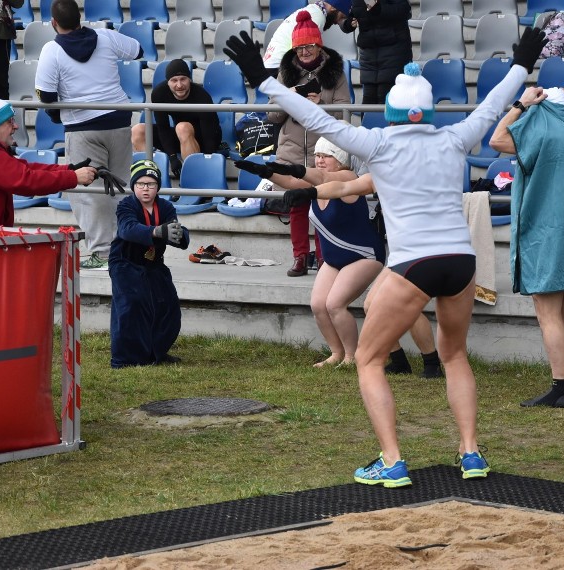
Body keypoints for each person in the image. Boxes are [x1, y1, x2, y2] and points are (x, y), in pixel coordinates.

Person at [224, 27, 547, 487]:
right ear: (430, 110)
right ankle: (471, 453)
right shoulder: (453, 138)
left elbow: (316, 119)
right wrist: (521, 64)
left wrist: (264, 80)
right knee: (455, 356)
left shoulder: (380, 143)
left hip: (414, 261)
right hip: (460, 258)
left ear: (392, 113)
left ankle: (393, 460)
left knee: (369, 360)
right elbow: (494, 103)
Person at [489, 86, 564, 408]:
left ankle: (560, 385)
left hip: (548, 229)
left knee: (548, 312)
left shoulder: (543, 129)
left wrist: (521, 105)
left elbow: (497, 139)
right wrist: (559, 107)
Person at [239, 138, 384, 367]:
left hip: (364, 255)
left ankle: (352, 357)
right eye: (317, 155)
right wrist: (265, 172)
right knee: (318, 305)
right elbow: (289, 182)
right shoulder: (317, 182)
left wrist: (297, 171)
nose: (320, 160)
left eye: (326, 156)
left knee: (334, 305)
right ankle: (336, 353)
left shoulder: (349, 177)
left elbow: (326, 180)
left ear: (340, 160)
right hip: (335, 259)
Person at [35, 0, 143, 271]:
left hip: (82, 126)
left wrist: (58, 116)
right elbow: (139, 50)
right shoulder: (104, 36)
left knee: (88, 193)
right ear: (80, 18)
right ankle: (127, 247)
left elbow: (46, 96)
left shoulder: (52, 49)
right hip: (119, 120)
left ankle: (104, 252)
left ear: (53, 23)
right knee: (120, 186)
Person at [269, 10, 352, 277]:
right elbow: (271, 115)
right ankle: (300, 257)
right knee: (297, 206)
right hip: (292, 150)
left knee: (325, 205)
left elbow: (345, 112)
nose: (304, 52)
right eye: (299, 47)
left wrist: (320, 106)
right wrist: (287, 98)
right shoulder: (286, 71)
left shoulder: (335, 71)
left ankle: (326, 256)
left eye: (309, 46)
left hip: (323, 151)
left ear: (319, 45)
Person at [0, 90, 97, 226]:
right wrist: (73, 177)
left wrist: (69, 169)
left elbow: (24, 168)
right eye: (10, 121)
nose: (16, 126)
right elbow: (26, 179)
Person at [109, 160, 190, 369]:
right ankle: (124, 359)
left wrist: (181, 236)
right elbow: (127, 229)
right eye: (141, 184)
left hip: (153, 262)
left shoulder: (165, 206)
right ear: (134, 186)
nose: (146, 188)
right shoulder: (126, 205)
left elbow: (176, 230)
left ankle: (156, 352)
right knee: (131, 306)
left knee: (168, 305)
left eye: (151, 184)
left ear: (158, 187)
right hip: (125, 262)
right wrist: (155, 231)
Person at [131, 59, 222, 179]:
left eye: (183, 79)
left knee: (182, 127)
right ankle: (151, 178)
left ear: (189, 79)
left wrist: (209, 161)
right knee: (138, 130)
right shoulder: (159, 93)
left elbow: (210, 134)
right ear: (168, 82)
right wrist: (173, 157)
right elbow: (163, 128)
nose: (179, 85)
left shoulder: (202, 96)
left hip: (205, 138)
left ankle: (194, 180)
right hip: (180, 136)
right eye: (174, 80)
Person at [340, 0, 412, 104]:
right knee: (368, 102)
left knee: (386, 100)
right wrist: (347, 23)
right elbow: (341, 16)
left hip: (393, 52)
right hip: (368, 56)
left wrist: (377, 8)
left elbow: (404, 10)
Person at [262, 0, 352, 73]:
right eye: (341, 16)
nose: (337, 22)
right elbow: (305, 52)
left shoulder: (312, 10)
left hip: (271, 65)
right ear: (333, 7)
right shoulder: (318, 18)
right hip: (279, 68)